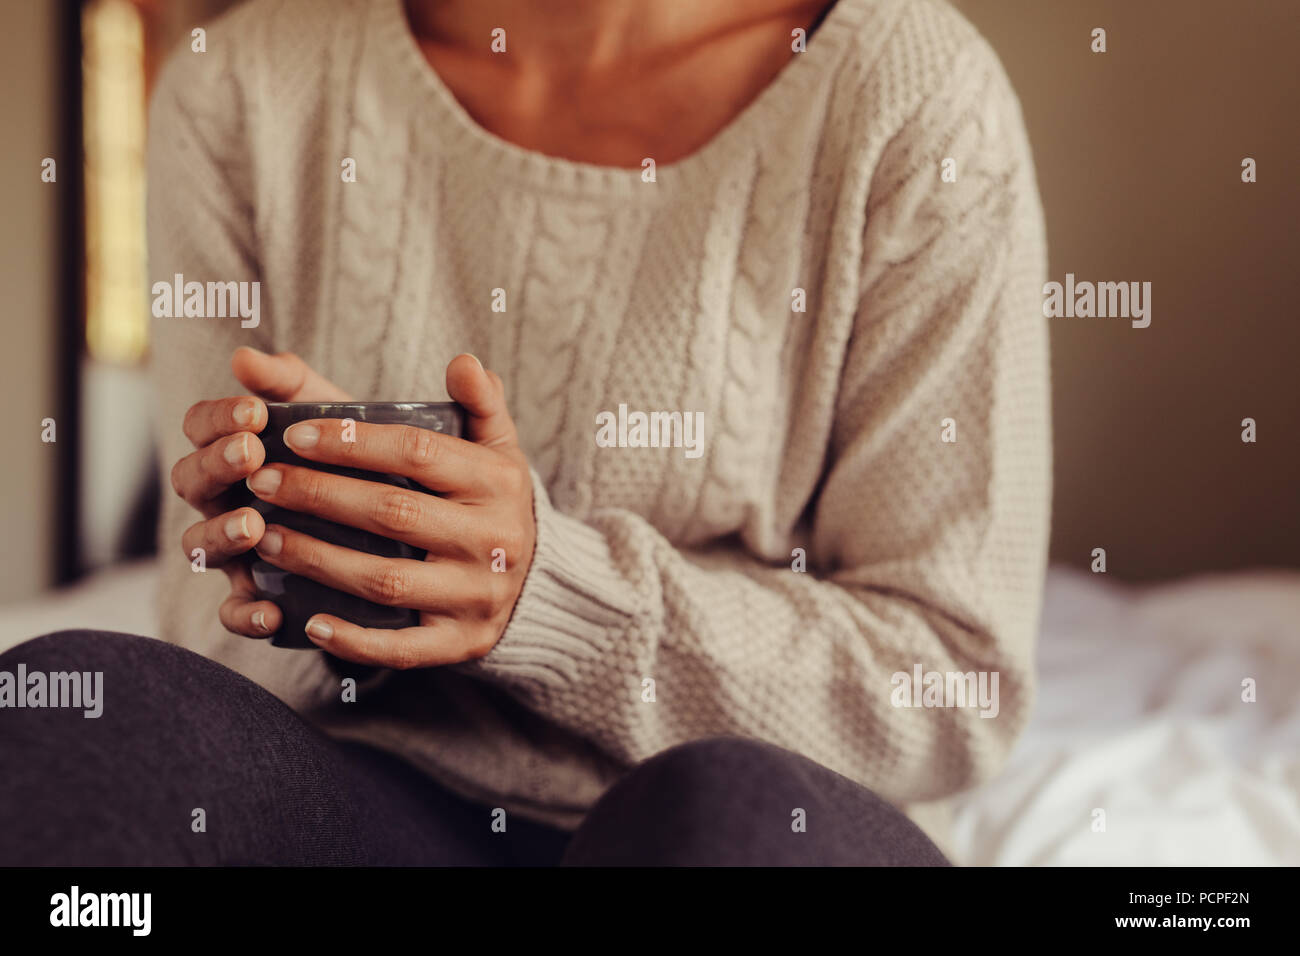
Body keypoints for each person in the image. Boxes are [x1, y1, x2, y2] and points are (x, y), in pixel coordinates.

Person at [0, 0, 1050, 865]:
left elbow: (956, 681)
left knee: (727, 822)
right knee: (78, 707)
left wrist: (552, 595)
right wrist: (312, 557)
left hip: (749, 805)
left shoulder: (911, 97)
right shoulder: (237, 88)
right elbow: (203, 624)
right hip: (375, 802)